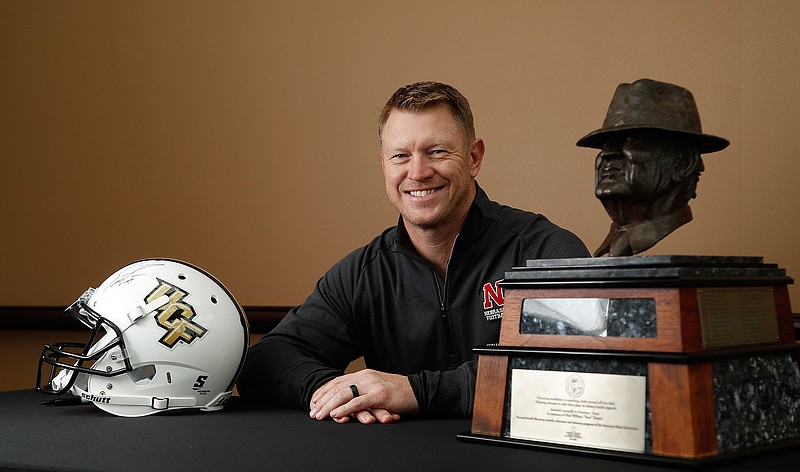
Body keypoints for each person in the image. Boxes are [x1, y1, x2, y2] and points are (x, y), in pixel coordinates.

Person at [237, 81, 589, 424]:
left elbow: (569, 367)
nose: (418, 172)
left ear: (473, 157)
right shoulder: (364, 274)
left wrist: (416, 391)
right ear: (384, 164)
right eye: (400, 156)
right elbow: (265, 362)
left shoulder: (546, 252)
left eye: (437, 151)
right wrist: (334, 391)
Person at [576, 78, 729, 257]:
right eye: (606, 144)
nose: (608, 153)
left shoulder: (688, 241)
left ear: (683, 163)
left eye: (634, 141)